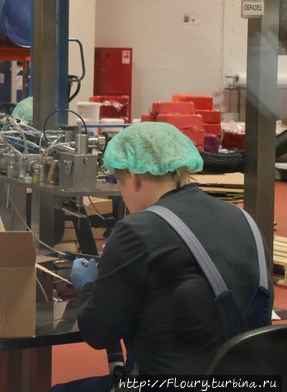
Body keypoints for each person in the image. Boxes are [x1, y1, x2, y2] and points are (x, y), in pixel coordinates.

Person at [68, 122, 272, 377]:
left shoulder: (137, 230)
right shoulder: (243, 219)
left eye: (119, 183)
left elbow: (98, 332)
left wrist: (89, 285)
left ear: (132, 176)